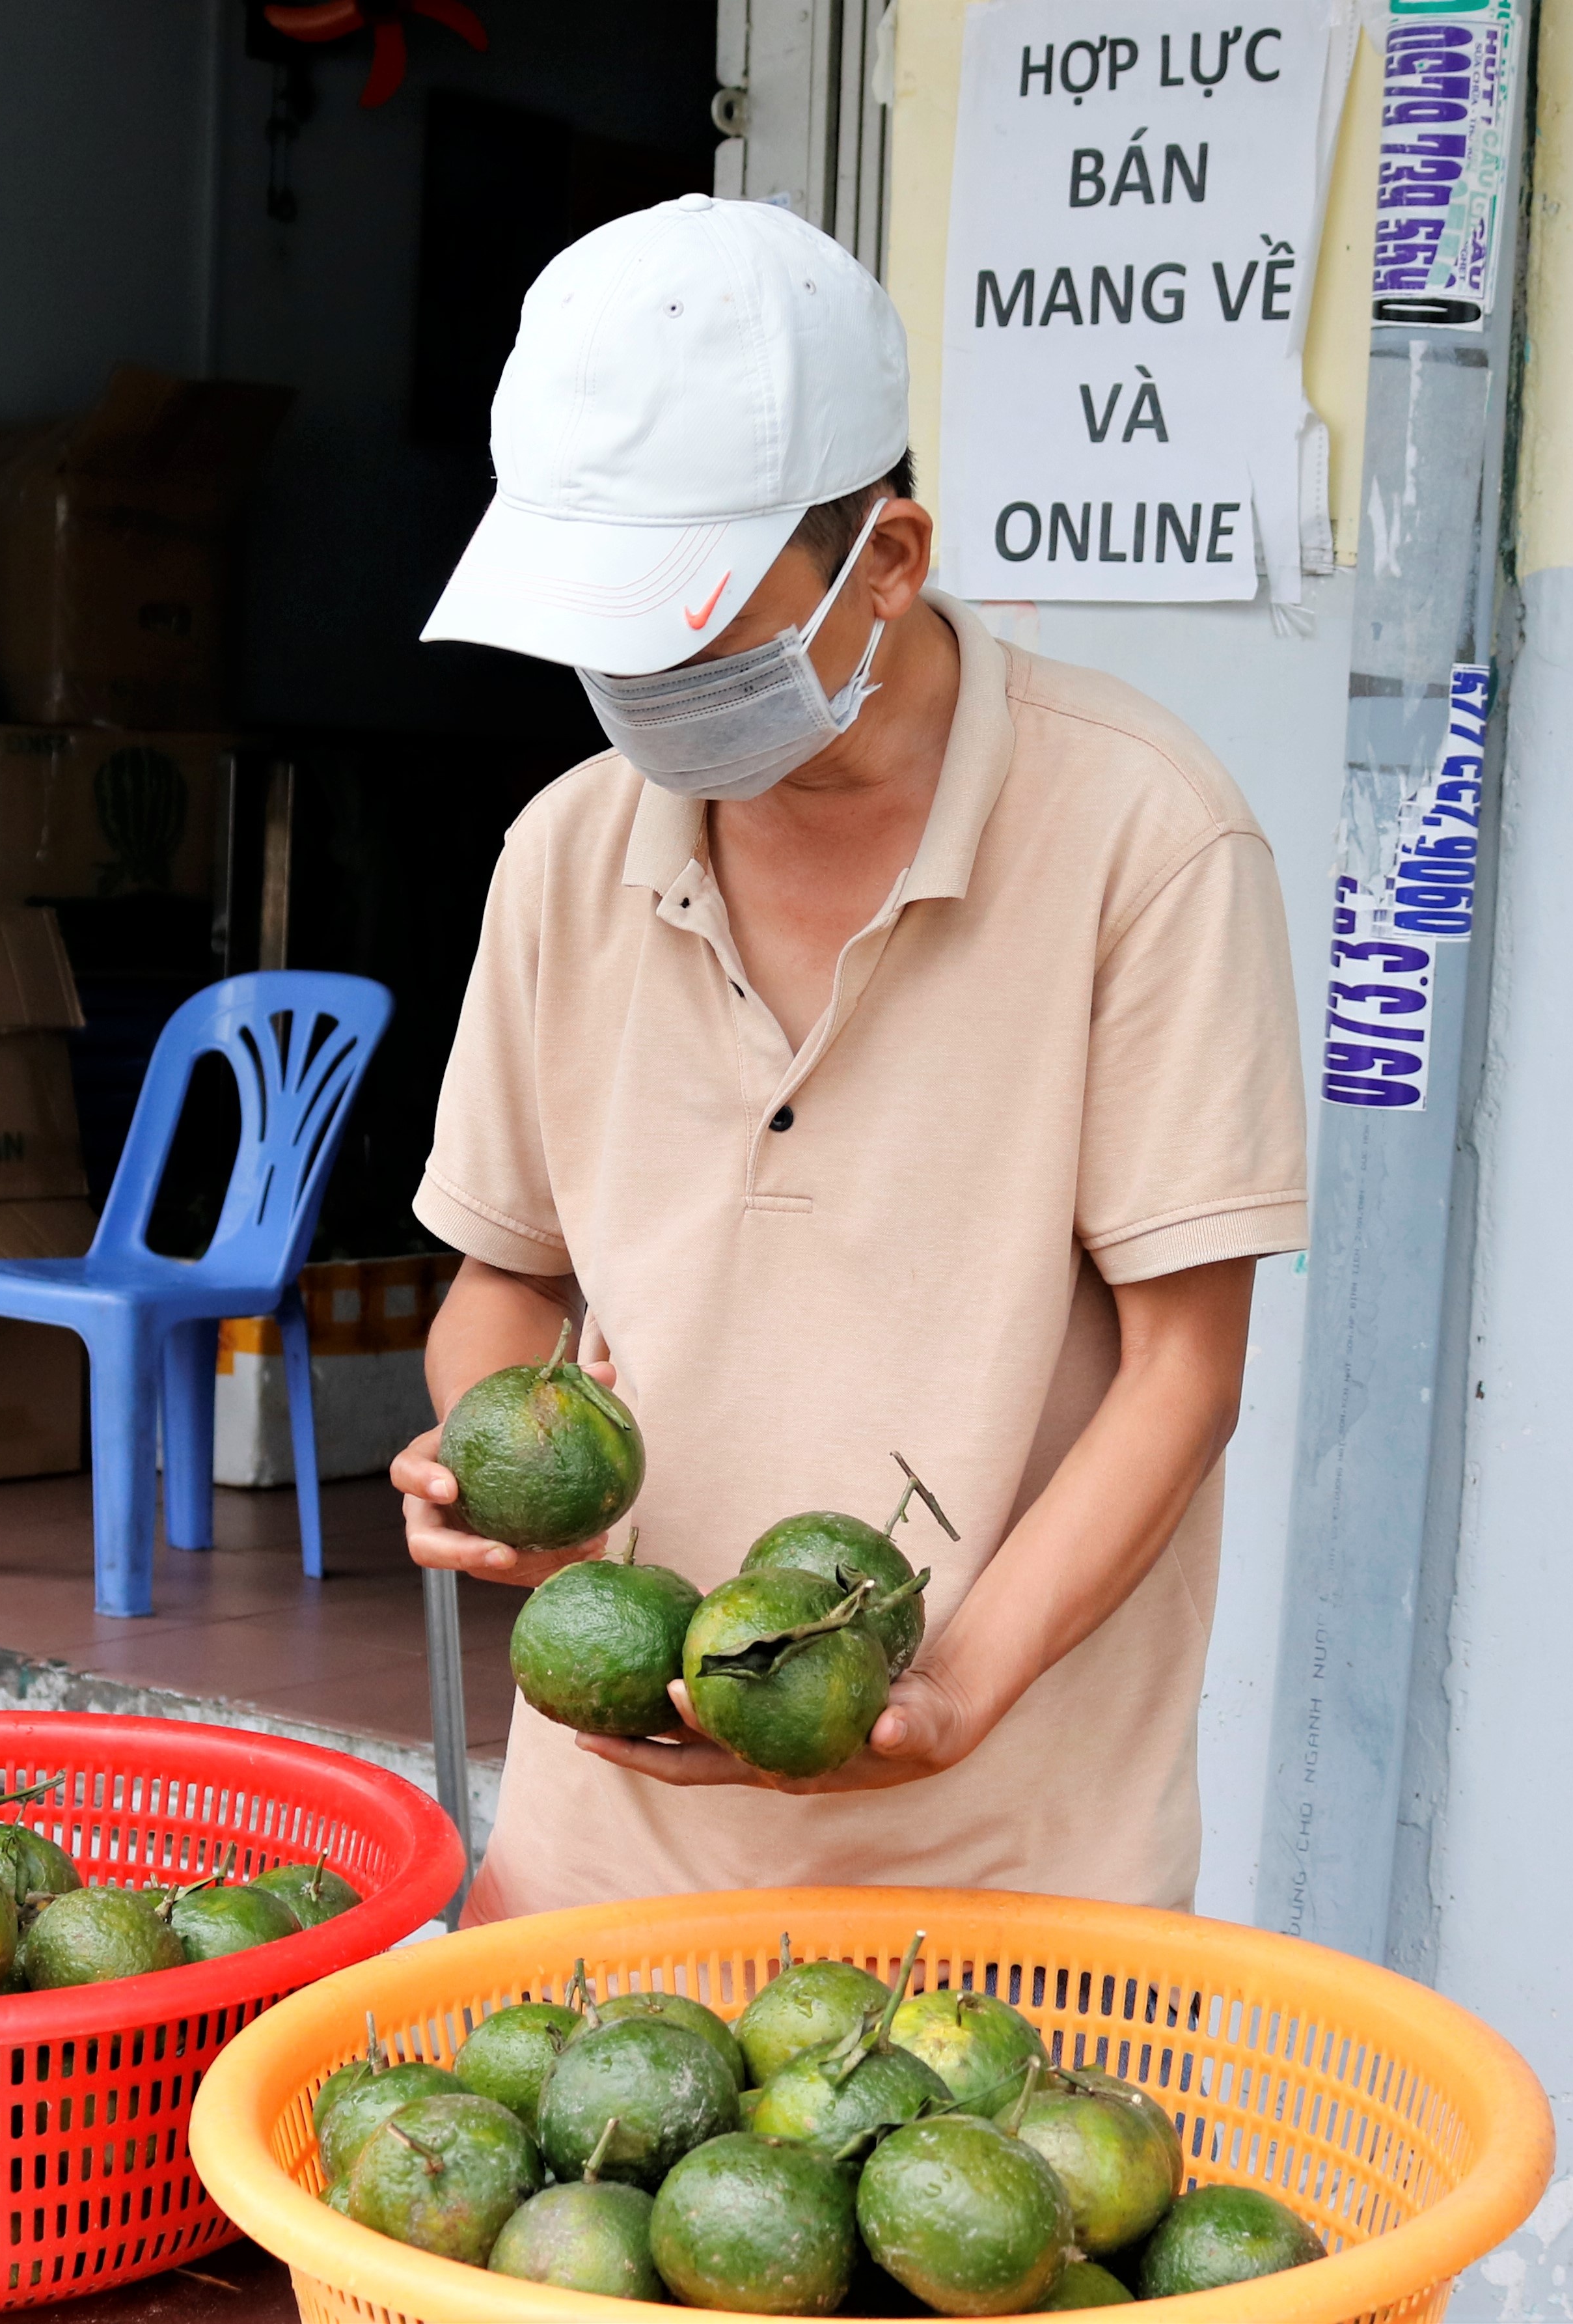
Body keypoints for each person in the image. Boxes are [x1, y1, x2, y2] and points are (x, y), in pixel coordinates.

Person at [393, 195, 1307, 1920]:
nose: (643, 675)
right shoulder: (567, 852)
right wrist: (488, 1473)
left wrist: (952, 1694)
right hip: (598, 1840)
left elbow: (1182, 1372)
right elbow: (503, 1287)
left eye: (696, 617)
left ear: (887, 560)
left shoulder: (1143, 838)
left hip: (1007, 1855)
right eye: (608, 626)